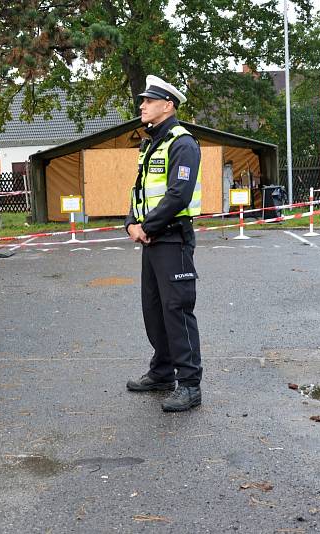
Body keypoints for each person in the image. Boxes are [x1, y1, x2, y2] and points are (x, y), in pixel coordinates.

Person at [125, 75, 203, 412]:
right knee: (154, 310)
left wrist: (146, 226)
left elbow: (178, 195)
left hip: (172, 238)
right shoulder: (151, 142)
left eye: (149, 101)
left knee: (177, 310)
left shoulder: (182, 143)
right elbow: (139, 190)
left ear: (167, 105)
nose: (141, 106)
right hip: (151, 240)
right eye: (143, 100)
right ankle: (162, 372)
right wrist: (130, 222)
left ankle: (189, 384)